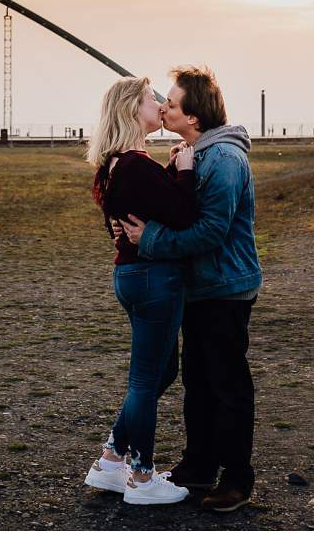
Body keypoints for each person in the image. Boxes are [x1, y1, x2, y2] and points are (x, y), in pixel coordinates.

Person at [117, 65, 262, 513]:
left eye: (173, 104)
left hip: (224, 288)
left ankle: (237, 478)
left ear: (194, 117)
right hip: (201, 286)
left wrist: (150, 239)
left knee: (227, 384)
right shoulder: (196, 152)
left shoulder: (222, 159)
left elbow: (211, 232)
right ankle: (199, 465)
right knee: (199, 382)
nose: (163, 107)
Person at [82, 76, 197, 505]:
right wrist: (185, 173)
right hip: (153, 278)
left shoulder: (116, 165)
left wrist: (168, 171)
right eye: (153, 98)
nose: (161, 104)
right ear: (133, 108)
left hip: (131, 276)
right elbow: (183, 215)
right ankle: (142, 479)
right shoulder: (135, 165)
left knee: (161, 372)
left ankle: (112, 461)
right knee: (146, 380)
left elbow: (149, 207)